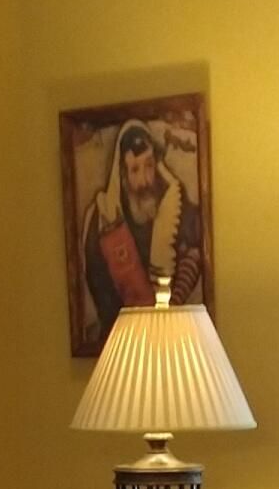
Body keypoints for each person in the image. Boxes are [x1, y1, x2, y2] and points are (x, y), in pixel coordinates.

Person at [79, 117, 205, 342]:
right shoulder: (104, 220)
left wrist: (174, 301)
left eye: (149, 166)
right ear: (123, 176)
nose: (146, 180)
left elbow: (194, 251)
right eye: (135, 170)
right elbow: (100, 288)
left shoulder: (175, 206)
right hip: (127, 342)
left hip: (173, 338)